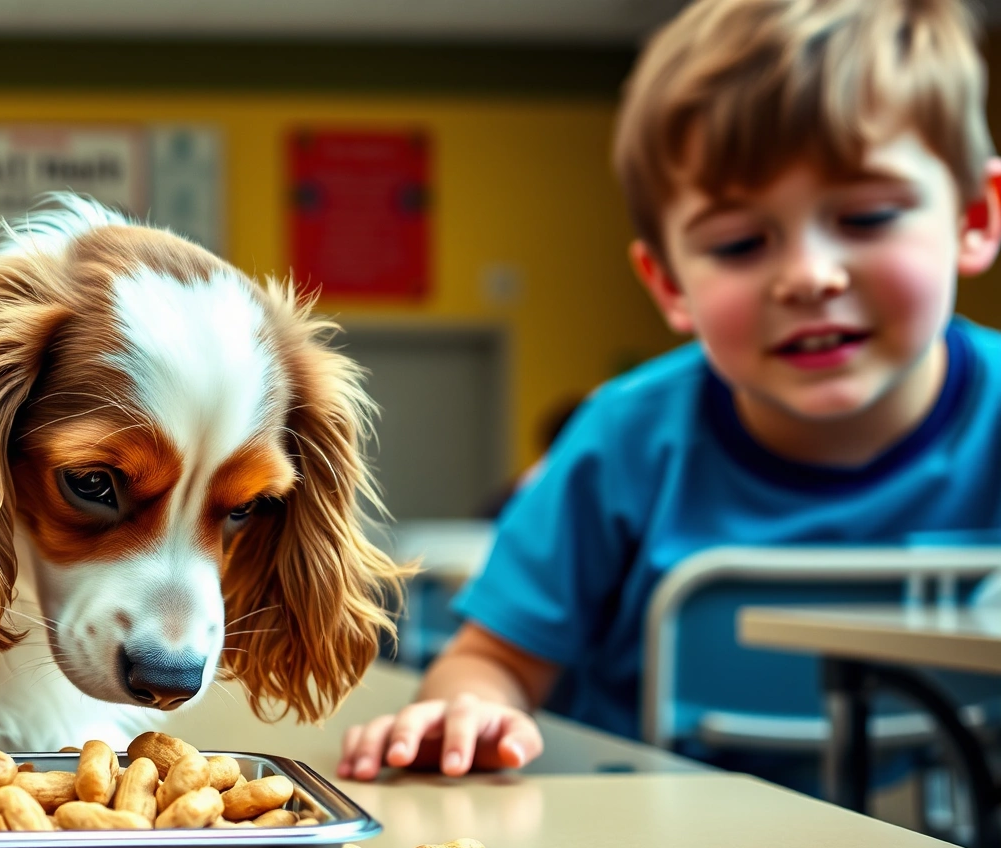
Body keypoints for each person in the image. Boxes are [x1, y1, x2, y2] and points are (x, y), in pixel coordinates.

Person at [340, 0, 1001, 780]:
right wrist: (470, 707)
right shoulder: (623, 441)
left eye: (868, 216)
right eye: (739, 243)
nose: (809, 277)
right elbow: (491, 663)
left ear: (975, 218)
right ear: (669, 284)